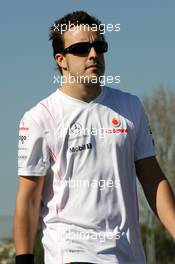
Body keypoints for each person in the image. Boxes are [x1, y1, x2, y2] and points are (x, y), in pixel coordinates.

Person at [13, 10, 175, 264]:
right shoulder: (39, 118)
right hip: (72, 254)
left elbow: (153, 178)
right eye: (80, 48)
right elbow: (28, 200)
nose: (93, 54)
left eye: (99, 46)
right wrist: (23, 258)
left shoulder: (130, 106)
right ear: (61, 59)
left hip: (130, 255)